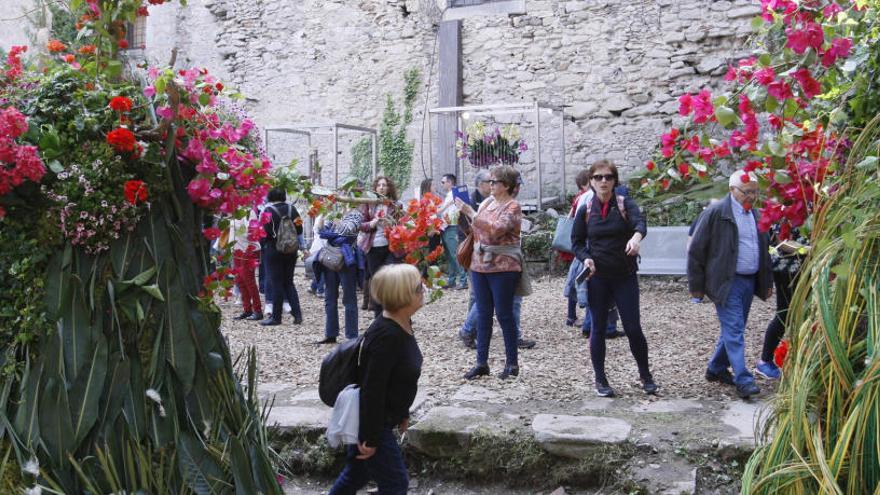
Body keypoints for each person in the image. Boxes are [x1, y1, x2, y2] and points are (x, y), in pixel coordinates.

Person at [328, 264, 424, 495]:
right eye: (419, 287)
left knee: (356, 474)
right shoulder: (386, 336)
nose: (424, 290)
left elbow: (397, 379)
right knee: (396, 484)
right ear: (403, 296)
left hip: (382, 419)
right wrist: (370, 437)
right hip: (373, 424)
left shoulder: (401, 323)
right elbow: (373, 389)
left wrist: (402, 413)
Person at [571, 160, 657, 397]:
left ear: (614, 180)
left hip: (624, 275)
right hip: (598, 277)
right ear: (590, 182)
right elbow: (576, 242)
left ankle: (645, 375)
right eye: (598, 177)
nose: (603, 181)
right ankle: (600, 379)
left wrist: (636, 238)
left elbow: (641, 222)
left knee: (632, 327)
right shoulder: (586, 209)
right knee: (597, 328)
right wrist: (585, 258)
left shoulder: (624, 203)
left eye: (608, 177)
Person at [688, 169, 773, 399]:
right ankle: (743, 380)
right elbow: (696, 250)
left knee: (734, 328)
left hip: (748, 280)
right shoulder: (717, 212)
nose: (752, 197)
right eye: (747, 192)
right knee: (735, 329)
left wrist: (766, 281)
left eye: (755, 192)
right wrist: (696, 286)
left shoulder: (755, 214)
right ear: (732, 190)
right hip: (726, 281)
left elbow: (764, 249)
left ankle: (716, 368)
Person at [456, 165, 525, 380]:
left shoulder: (513, 207)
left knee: (504, 315)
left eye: (494, 181)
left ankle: (512, 363)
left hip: (504, 267)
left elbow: (496, 231)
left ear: (506, 186)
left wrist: (471, 212)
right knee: (484, 314)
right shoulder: (487, 203)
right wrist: (463, 216)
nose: (490, 184)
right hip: (480, 265)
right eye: (490, 181)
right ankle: (481, 362)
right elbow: (477, 231)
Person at [755, 223, 809, 379]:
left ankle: (799, 359)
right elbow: (781, 243)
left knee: (805, 313)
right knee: (784, 314)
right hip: (787, 270)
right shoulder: (787, 211)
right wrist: (807, 249)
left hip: (806, 268)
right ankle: (765, 361)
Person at [317, 206, 364, 344]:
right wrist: (322, 215)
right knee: (329, 297)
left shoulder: (356, 214)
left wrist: (334, 227)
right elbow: (322, 232)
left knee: (349, 298)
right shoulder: (335, 212)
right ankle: (330, 333)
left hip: (347, 259)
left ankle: (351, 336)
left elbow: (347, 230)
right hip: (331, 257)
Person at [260, 188, 304, 326]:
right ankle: (297, 315)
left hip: (274, 250)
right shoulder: (293, 210)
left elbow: (264, 233)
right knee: (289, 282)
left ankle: (276, 317)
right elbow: (300, 229)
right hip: (291, 250)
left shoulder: (267, 211)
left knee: (276, 283)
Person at [359, 176, 401, 317]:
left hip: (391, 248)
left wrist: (393, 225)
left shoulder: (396, 205)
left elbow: (402, 226)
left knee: (390, 280)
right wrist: (373, 223)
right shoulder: (369, 204)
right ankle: (378, 316)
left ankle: (394, 313)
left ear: (389, 188)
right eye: (379, 185)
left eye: (385, 185)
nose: (382, 187)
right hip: (373, 247)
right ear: (375, 188)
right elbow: (361, 225)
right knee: (377, 281)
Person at [231, 209, 263, 321]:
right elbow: (232, 231)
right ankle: (247, 309)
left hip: (249, 249)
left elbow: (252, 234)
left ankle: (258, 310)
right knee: (240, 281)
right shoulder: (233, 209)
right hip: (237, 249)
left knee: (249, 281)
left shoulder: (250, 212)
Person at [438, 174, 468, 289]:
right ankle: (451, 280)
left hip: (452, 227)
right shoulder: (449, 195)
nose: (442, 184)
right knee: (450, 255)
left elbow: (442, 209)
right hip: (446, 227)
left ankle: (463, 280)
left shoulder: (453, 194)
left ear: (450, 182)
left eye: (443, 182)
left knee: (455, 254)